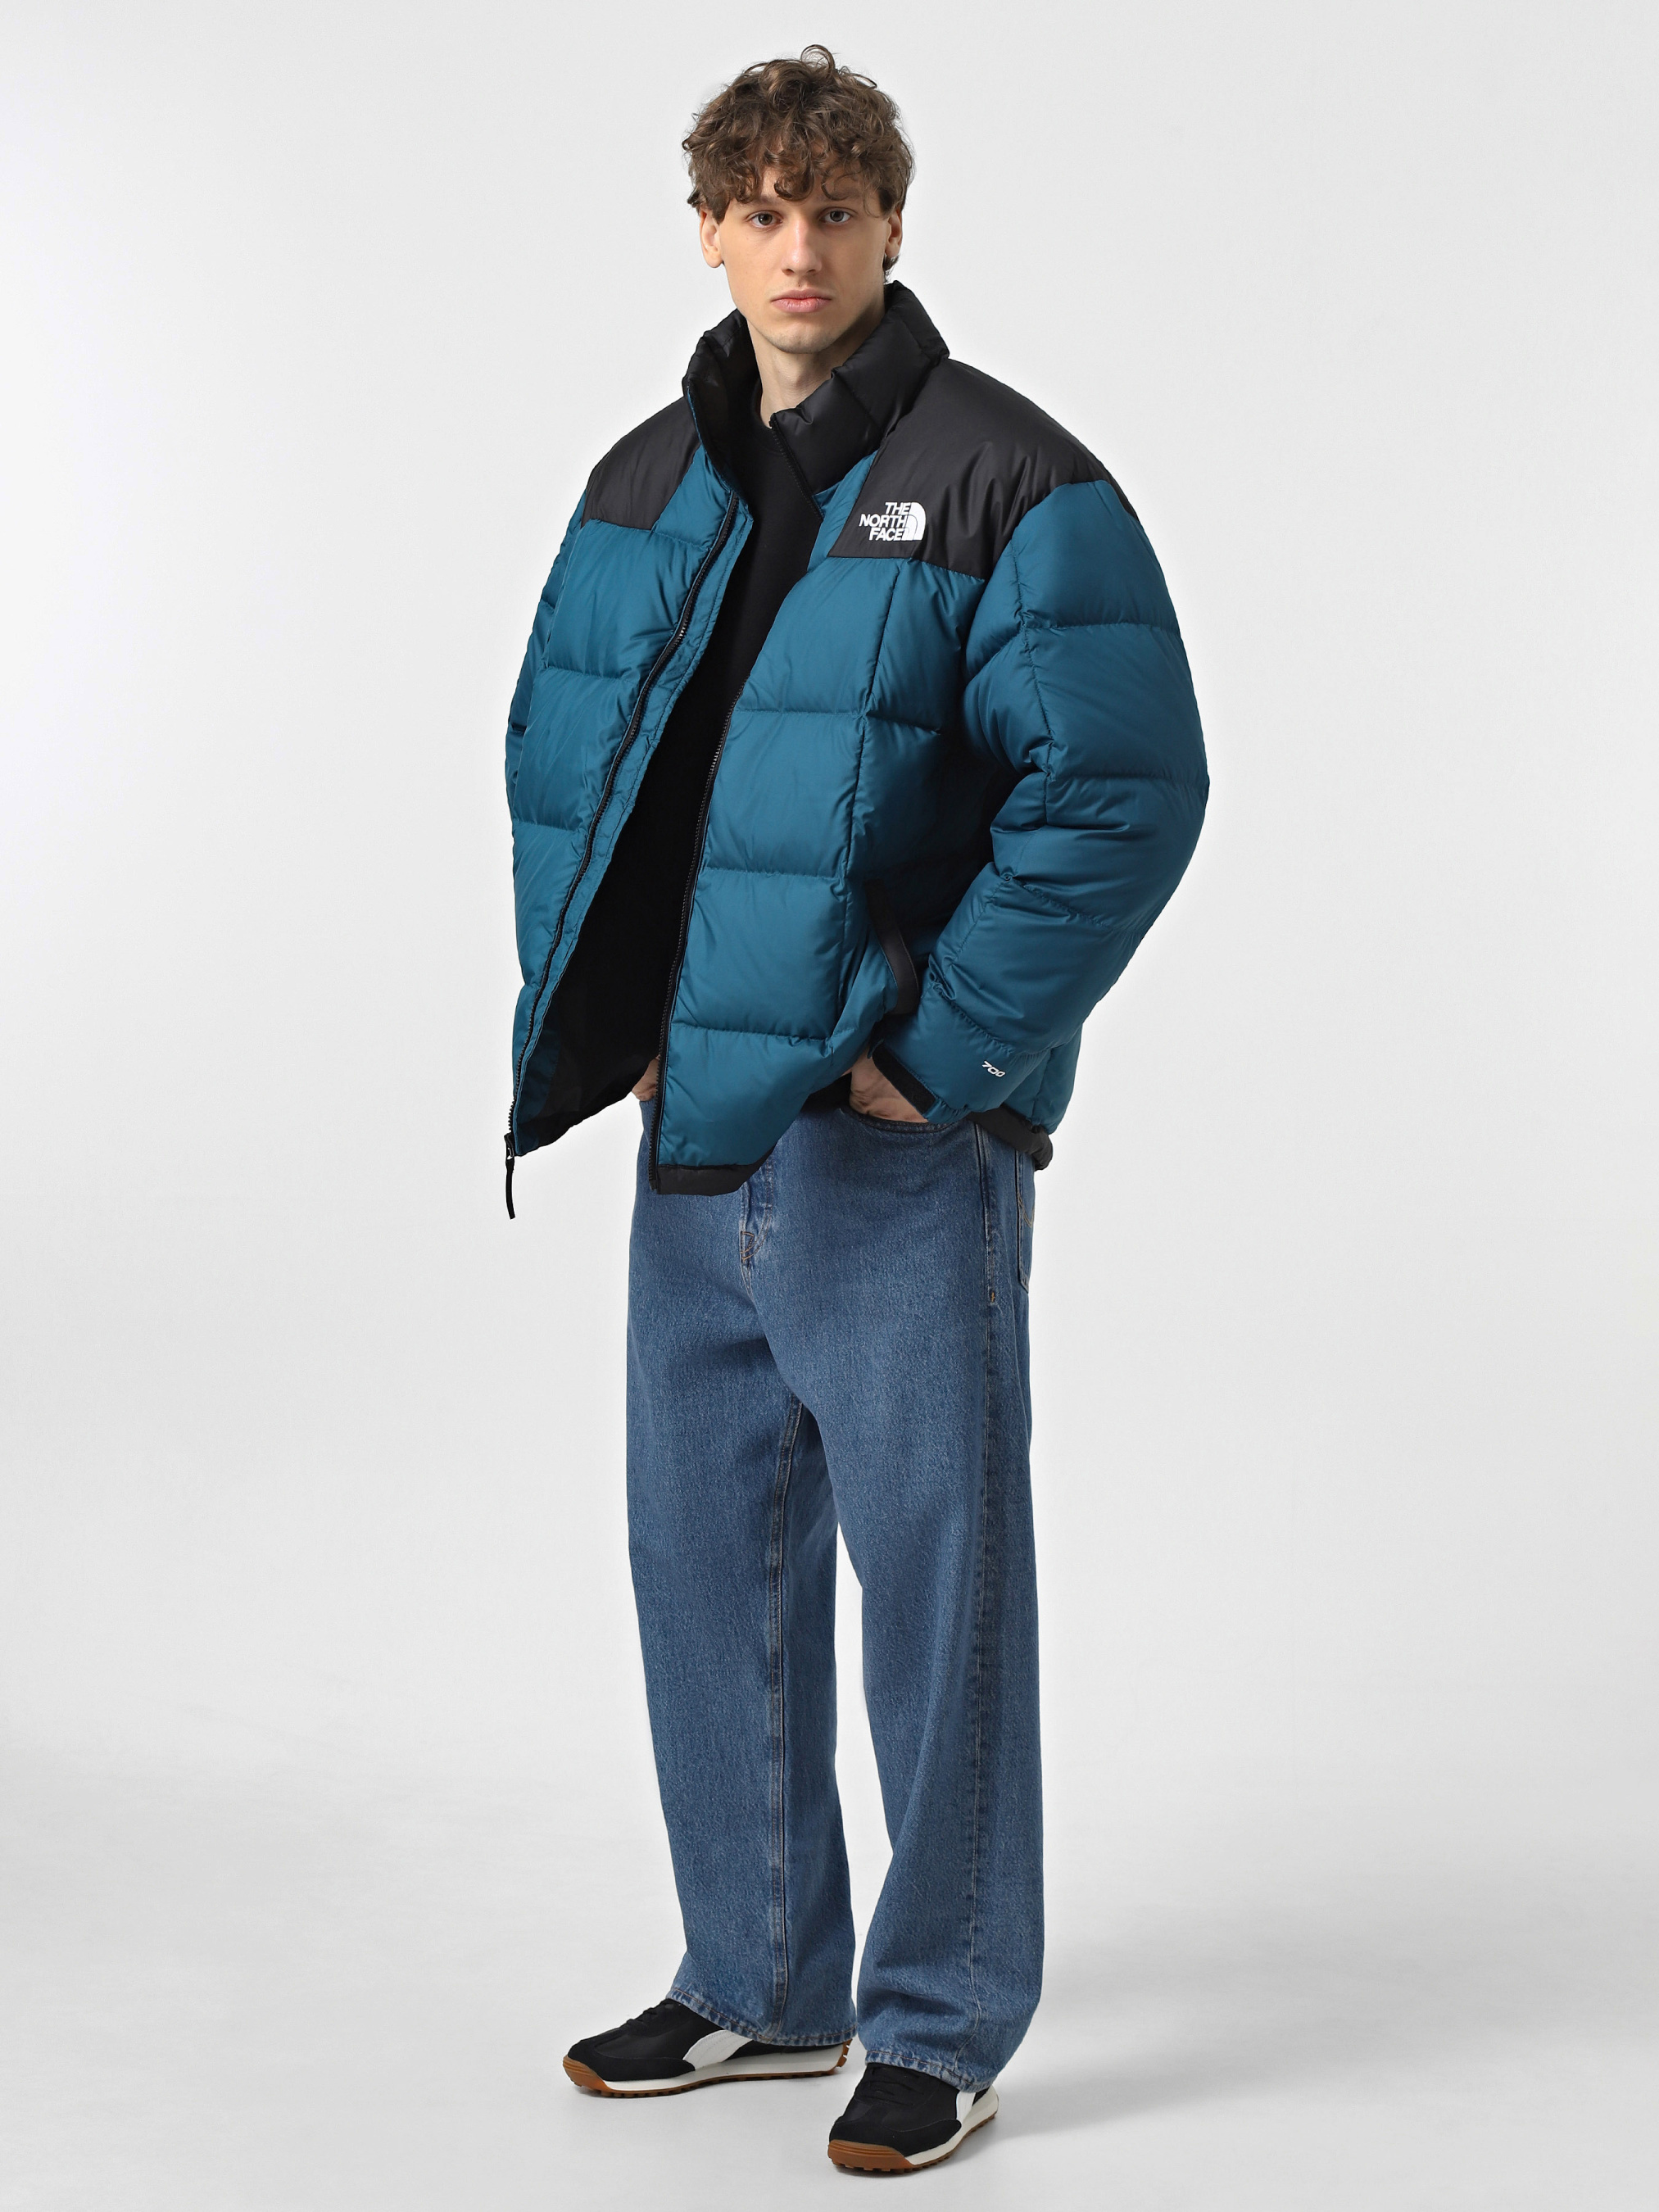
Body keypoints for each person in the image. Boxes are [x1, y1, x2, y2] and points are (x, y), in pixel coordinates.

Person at [501, 46, 1207, 2176]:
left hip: (898, 1147)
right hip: (697, 1129)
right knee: (703, 1570)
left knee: (935, 1590)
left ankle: (942, 2018)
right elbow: (562, 756)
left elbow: (1123, 786)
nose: (797, 247)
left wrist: (947, 1049)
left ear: (893, 224)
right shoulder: (648, 477)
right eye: (760, 210)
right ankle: (759, 1977)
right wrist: (616, 1016)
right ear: (709, 231)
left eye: (835, 208)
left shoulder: (1010, 481)